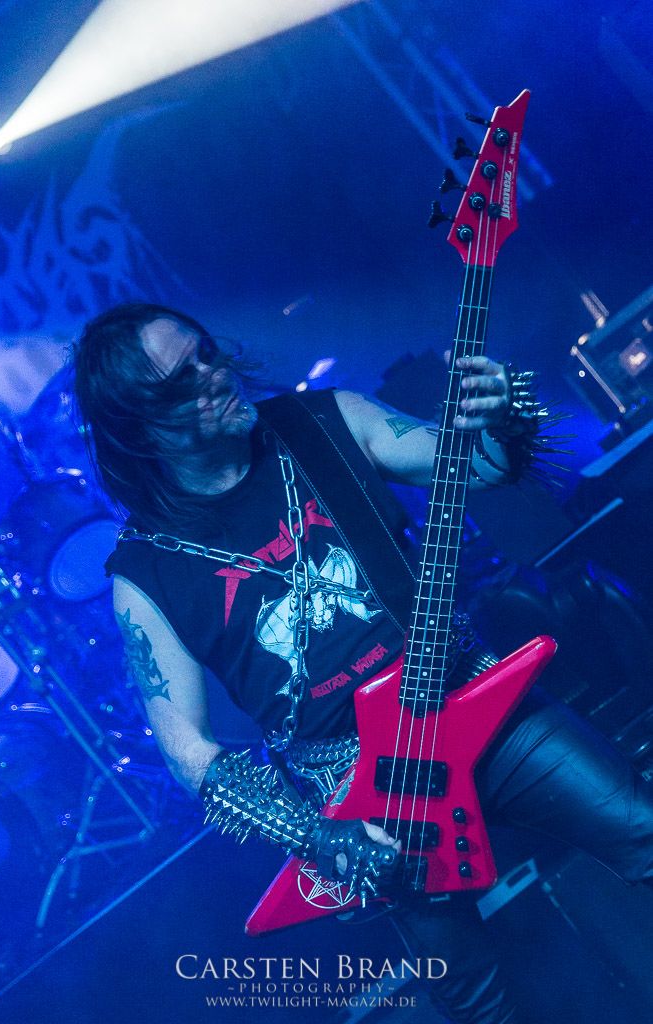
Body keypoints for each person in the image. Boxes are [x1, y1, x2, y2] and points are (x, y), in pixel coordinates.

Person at [72, 302, 653, 1024]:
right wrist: (317, 837)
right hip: (371, 801)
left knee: (642, 829)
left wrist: (505, 414)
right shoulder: (144, 573)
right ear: (138, 426)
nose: (213, 376)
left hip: (474, 701)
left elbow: (481, 465)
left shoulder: (322, 421)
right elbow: (186, 750)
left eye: (207, 354)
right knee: (481, 1002)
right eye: (182, 381)